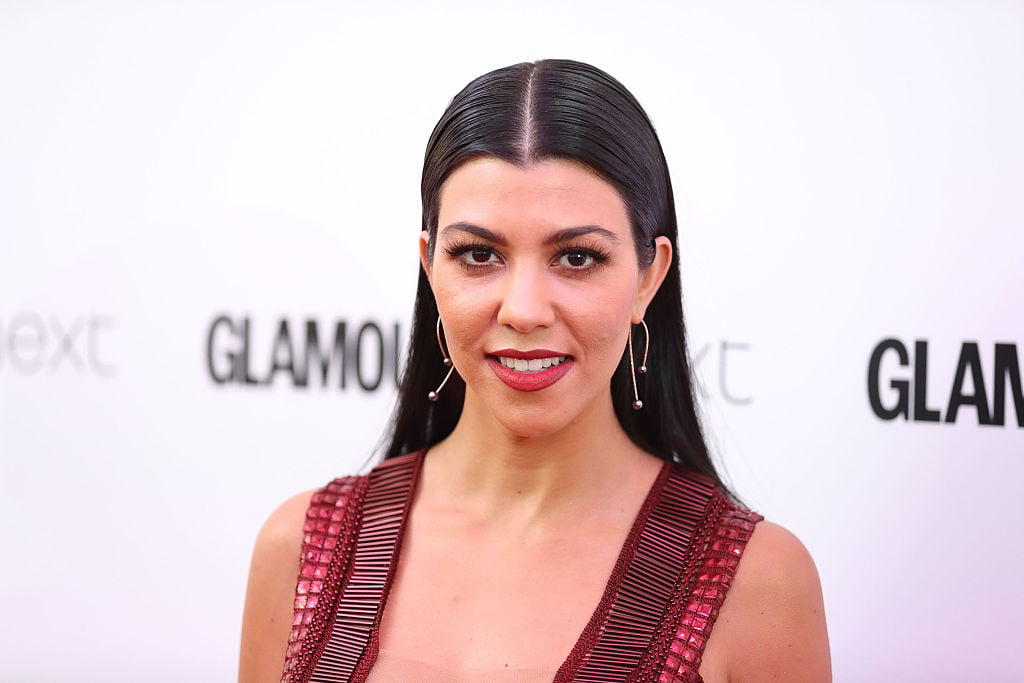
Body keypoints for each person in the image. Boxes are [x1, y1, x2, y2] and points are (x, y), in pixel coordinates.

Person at [239, 59, 830, 683]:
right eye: (478, 254)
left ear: (648, 277)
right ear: (430, 267)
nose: (523, 310)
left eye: (577, 257)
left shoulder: (759, 585)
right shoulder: (302, 551)